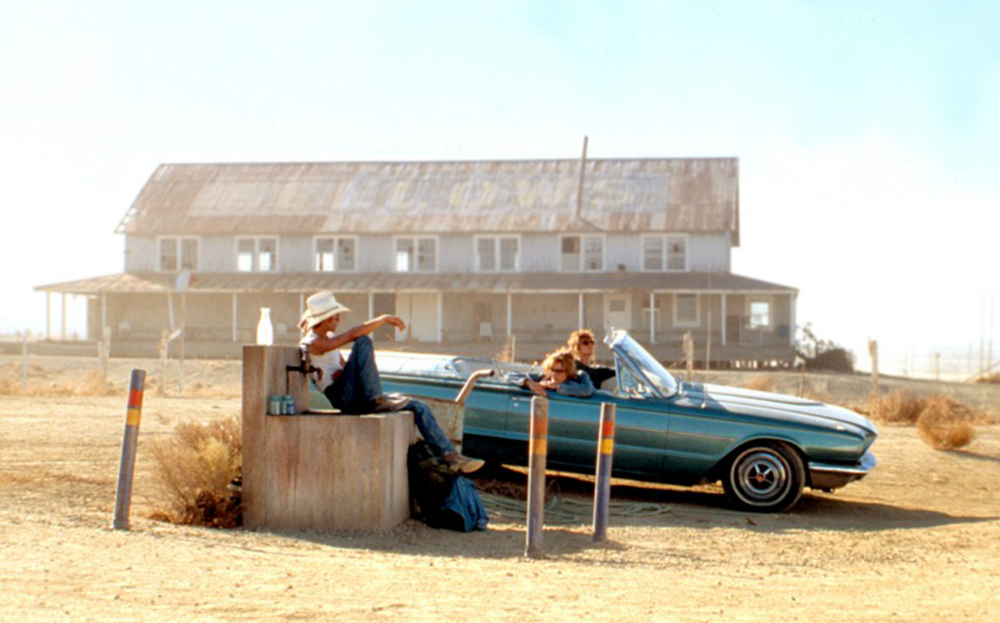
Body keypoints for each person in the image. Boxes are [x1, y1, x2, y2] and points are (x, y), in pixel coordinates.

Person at [299, 291, 483, 474]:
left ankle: (449, 455)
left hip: (353, 393)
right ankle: (376, 400)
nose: (338, 320)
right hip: (341, 396)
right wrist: (383, 319)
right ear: (326, 319)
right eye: (335, 317)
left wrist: (353, 376)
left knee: (419, 407)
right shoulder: (311, 343)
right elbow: (353, 335)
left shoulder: (328, 340)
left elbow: (347, 366)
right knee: (363, 341)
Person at [522, 347, 594, 398]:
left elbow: (587, 390)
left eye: (560, 371)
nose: (554, 374)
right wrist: (528, 382)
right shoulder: (544, 377)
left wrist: (558, 386)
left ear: (568, 371)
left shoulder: (579, 376)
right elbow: (513, 376)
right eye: (552, 370)